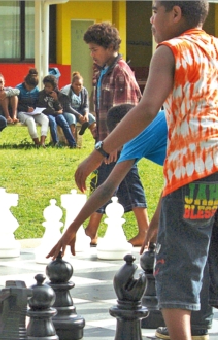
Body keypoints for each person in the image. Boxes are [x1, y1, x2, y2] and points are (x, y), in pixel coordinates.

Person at [72, 2, 218, 340]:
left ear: (176, 14)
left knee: (175, 270)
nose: (150, 19)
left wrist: (100, 151)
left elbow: (147, 108)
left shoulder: (170, 51)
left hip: (196, 173)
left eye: (154, 11)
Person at [82, 22, 149, 247]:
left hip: (118, 143)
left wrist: (112, 145)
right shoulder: (102, 72)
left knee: (107, 182)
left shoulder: (120, 72)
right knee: (126, 181)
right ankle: (144, 230)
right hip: (107, 142)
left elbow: (126, 115)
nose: (92, 55)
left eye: (95, 50)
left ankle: (91, 230)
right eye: (90, 50)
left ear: (110, 46)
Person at [59, 71, 96, 147]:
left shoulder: (84, 91)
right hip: (67, 111)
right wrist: (79, 115)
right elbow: (67, 107)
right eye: (76, 84)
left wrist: (85, 114)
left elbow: (85, 105)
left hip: (80, 111)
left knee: (91, 117)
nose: (78, 87)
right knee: (72, 118)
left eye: (80, 85)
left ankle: (97, 140)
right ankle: (72, 142)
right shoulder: (67, 91)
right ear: (72, 84)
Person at [37, 74, 76, 147]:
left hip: (57, 114)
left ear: (54, 87)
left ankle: (72, 143)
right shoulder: (41, 95)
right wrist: (56, 112)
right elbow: (44, 109)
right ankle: (56, 142)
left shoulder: (57, 94)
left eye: (49, 87)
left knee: (64, 123)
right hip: (48, 115)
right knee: (53, 122)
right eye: (45, 86)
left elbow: (59, 108)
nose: (46, 88)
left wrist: (56, 99)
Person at [16, 68, 51, 147]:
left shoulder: (36, 89)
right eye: (29, 87)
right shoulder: (18, 88)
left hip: (34, 111)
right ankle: (36, 142)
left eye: (33, 88)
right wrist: (26, 109)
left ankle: (43, 141)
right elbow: (15, 105)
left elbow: (37, 101)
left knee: (45, 119)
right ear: (26, 82)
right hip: (22, 111)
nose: (31, 89)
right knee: (30, 120)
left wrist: (37, 108)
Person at [0, 71, 19, 139]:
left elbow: (17, 91)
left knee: (13, 96)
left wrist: (5, 94)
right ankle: (7, 117)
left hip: (11, 112)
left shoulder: (8, 89)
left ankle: (14, 117)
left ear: (4, 82)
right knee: (3, 98)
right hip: (0, 113)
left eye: (1, 82)